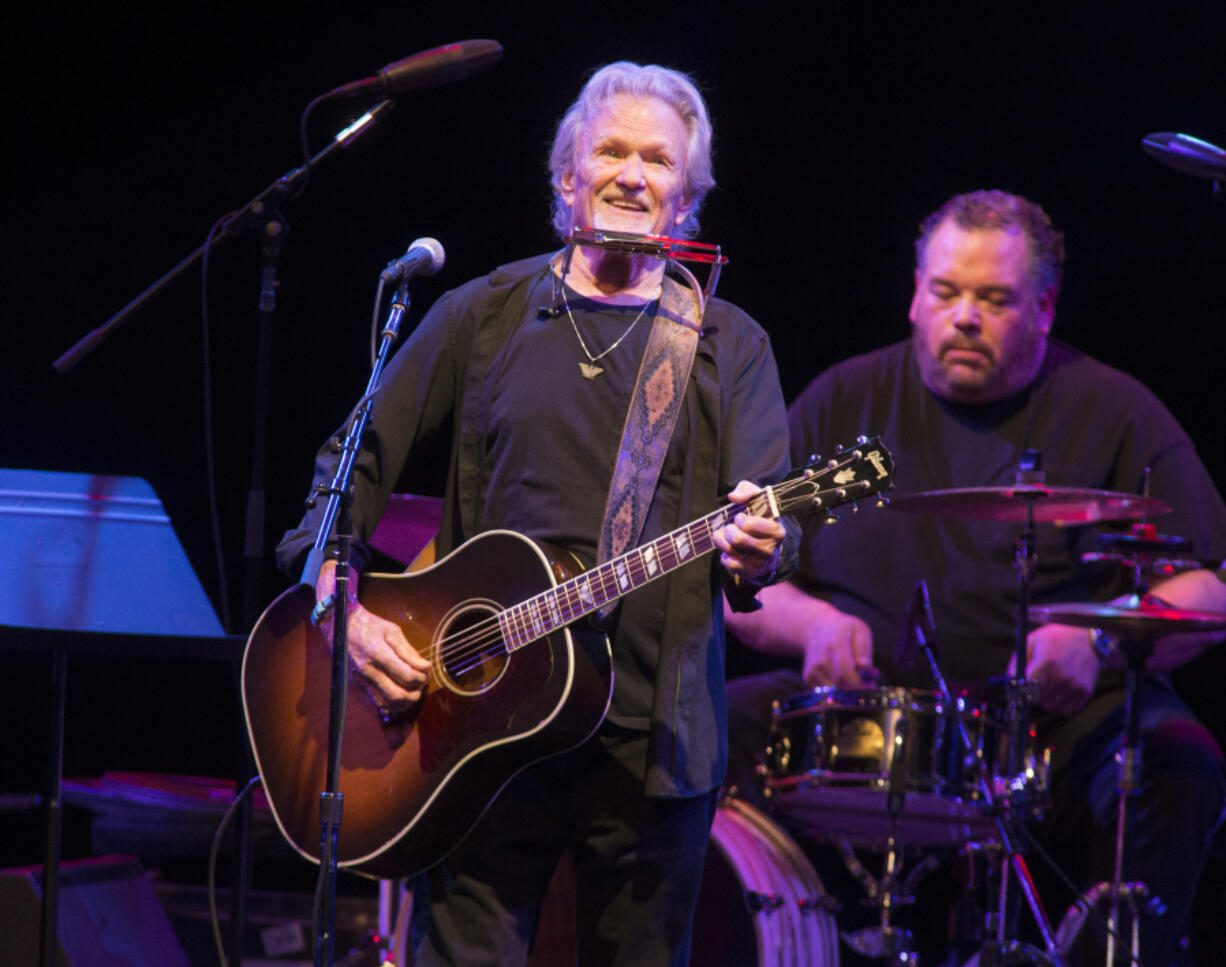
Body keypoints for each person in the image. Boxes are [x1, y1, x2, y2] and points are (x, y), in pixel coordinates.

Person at [275, 62, 797, 965]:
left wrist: (761, 543)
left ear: (687, 197)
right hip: (473, 728)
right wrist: (339, 602)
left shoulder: (727, 344)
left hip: (650, 748)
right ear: (568, 178)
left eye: (659, 161)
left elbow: (767, 530)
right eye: (611, 150)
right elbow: (348, 465)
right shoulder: (485, 312)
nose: (633, 173)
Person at [725, 190, 1226, 966]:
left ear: (1045, 308)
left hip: (1058, 732)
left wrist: (1098, 640)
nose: (964, 315)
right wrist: (811, 625)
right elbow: (741, 574)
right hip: (867, 720)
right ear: (914, 294)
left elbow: (1212, 588)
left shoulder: (1116, 410)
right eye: (945, 292)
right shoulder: (844, 399)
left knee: (1180, 758)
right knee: (693, 734)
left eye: (994, 299)